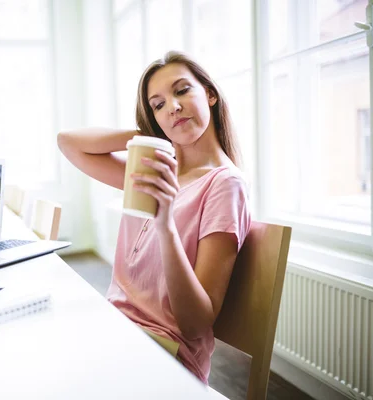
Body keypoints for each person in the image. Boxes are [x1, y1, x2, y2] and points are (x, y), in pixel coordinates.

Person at [57, 51, 252, 384]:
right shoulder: (156, 170)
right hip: (116, 331)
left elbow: (195, 323)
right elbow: (69, 143)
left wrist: (165, 225)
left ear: (210, 93)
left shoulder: (225, 184)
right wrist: (150, 131)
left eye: (181, 91)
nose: (173, 107)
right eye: (158, 104)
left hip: (163, 354)